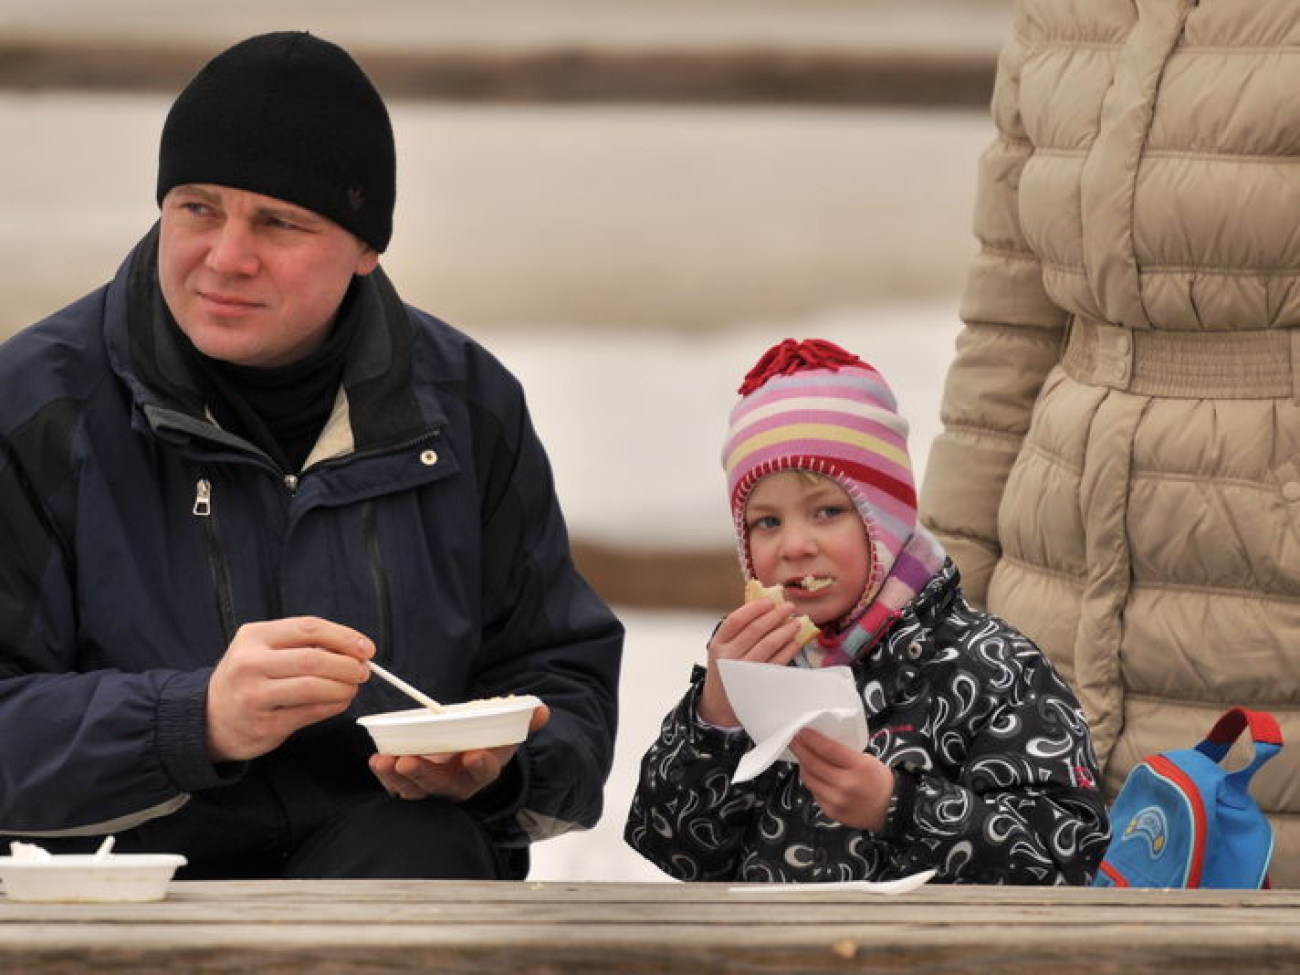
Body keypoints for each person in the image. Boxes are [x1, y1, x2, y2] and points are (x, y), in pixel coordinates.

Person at [0, 31, 623, 880]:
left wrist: (496, 766)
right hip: (120, 888)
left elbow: (565, 682)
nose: (226, 257)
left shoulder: (469, 408)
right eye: (198, 207)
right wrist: (194, 719)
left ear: (366, 249)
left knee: (421, 854)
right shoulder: (37, 408)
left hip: (393, 882)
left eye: (278, 221)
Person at [918, 2, 1300, 886]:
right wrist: (937, 617)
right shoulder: (1060, 15)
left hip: (1265, 597)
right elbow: (1007, 329)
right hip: (1050, 582)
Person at [624, 338, 1108, 883]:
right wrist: (714, 719)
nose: (795, 545)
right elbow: (672, 847)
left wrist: (898, 807)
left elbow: (1067, 861)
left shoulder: (995, 666)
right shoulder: (758, 667)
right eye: (767, 522)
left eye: (827, 511)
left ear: (886, 522)